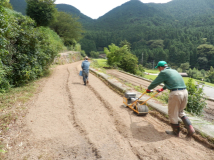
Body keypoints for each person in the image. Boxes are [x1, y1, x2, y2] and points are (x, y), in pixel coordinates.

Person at [146, 61, 195, 137]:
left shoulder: (163, 72)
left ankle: (175, 132)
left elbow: (155, 82)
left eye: (158, 68)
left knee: (172, 113)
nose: (159, 70)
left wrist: (149, 89)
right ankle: (190, 129)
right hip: (185, 92)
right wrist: (162, 89)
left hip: (176, 94)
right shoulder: (174, 71)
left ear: (160, 67)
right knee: (180, 112)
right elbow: (172, 81)